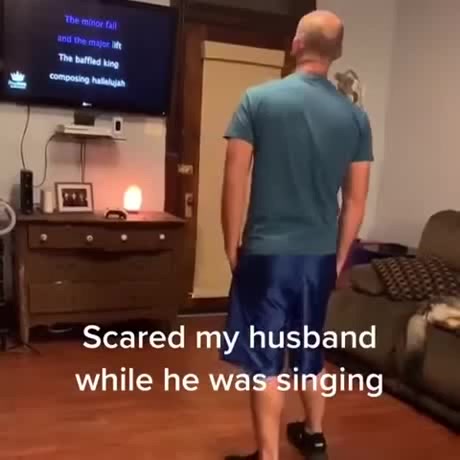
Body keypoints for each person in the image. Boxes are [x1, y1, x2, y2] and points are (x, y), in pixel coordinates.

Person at [220, 9, 373, 460]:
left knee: (265, 360)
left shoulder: (257, 100)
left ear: (296, 44)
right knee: (310, 348)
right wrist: (339, 257)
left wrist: (231, 246)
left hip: (266, 255)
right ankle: (314, 435)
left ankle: (268, 455)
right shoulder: (355, 117)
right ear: (336, 53)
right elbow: (356, 200)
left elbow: (234, 181)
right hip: (318, 257)